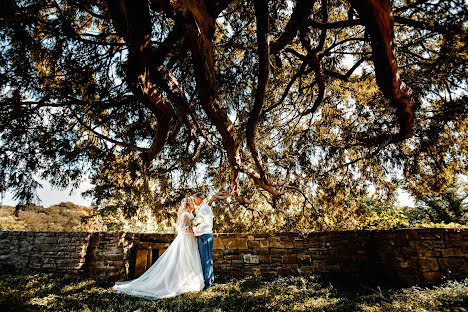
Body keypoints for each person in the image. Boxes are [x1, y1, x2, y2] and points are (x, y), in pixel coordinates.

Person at [113, 197, 204, 299]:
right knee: (183, 261)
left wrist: (195, 228)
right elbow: (182, 229)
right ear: (187, 204)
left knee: (189, 261)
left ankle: (188, 282)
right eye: (192, 202)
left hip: (191, 240)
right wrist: (194, 229)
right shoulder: (185, 214)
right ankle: (181, 283)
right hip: (185, 241)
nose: (193, 203)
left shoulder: (191, 214)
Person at [192, 192, 215, 289]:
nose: (194, 201)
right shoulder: (203, 208)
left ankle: (208, 283)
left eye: (195, 199)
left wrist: (194, 230)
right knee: (205, 260)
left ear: (200, 199)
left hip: (204, 236)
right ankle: (209, 281)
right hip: (204, 235)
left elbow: (205, 225)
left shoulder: (204, 208)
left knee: (206, 260)